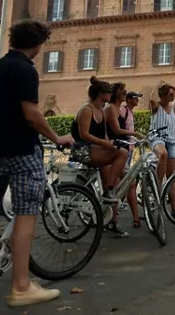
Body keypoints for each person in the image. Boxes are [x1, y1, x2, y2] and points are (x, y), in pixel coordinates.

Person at [0, 19, 75, 307]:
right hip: (20, 151)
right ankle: (21, 286)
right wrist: (57, 137)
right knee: (26, 212)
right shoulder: (25, 70)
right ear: (37, 44)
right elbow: (32, 114)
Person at [71, 77, 130, 238]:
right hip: (83, 149)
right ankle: (108, 191)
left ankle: (112, 221)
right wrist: (105, 144)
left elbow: (103, 134)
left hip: (97, 149)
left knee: (113, 183)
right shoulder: (87, 109)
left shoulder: (101, 111)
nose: (111, 94)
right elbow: (84, 134)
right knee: (122, 153)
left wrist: (109, 143)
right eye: (108, 92)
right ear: (100, 94)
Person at [105, 84, 145, 229]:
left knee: (129, 183)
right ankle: (113, 221)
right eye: (123, 91)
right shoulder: (113, 108)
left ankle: (134, 219)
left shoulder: (119, 109)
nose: (125, 93)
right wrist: (135, 134)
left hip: (120, 150)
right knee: (116, 186)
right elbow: (116, 130)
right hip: (112, 151)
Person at [149, 81, 175, 220]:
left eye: (173, 94)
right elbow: (151, 97)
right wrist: (159, 84)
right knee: (163, 154)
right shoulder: (156, 106)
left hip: (171, 142)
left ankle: (174, 209)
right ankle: (158, 185)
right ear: (163, 95)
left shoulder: (172, 109)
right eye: (170, 94)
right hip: (157, 138)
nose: (173, 96)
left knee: (171, 177)